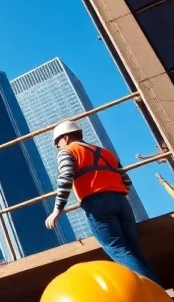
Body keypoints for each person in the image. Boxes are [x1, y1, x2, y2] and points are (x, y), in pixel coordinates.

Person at [44, 120, 159, 282]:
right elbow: (126, 180)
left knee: (118, 249)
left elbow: (65, 178)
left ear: (66, 138)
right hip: (121, 202)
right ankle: (157, 288)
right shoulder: (105, 153)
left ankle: (147, 288)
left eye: (58, 144)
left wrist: (57, 210)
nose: (58, 147)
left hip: (97, 202)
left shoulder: (68, 151)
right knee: (133, 248)